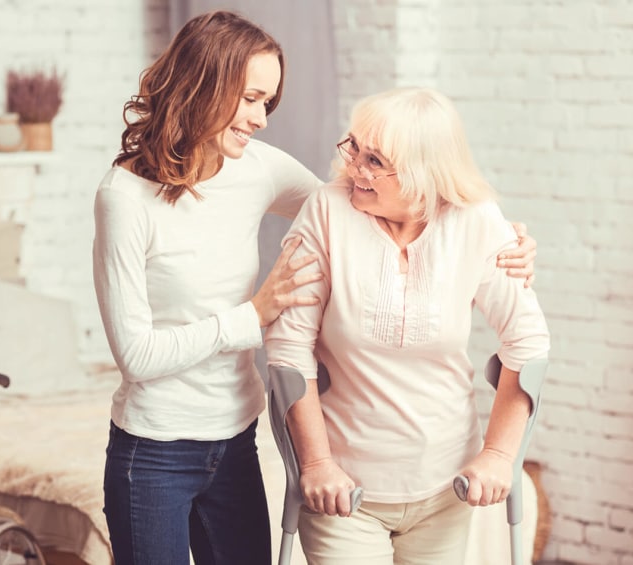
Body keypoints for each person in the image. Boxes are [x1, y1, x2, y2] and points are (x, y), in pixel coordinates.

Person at [93, 11, 538, 565]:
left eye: (268, 103)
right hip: (154, 446)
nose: (261, 119)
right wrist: (254, 315)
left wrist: (494, 237)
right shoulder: (123, 198)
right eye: (251, 98)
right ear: (204, 84)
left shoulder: (256, 167)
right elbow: (136, 356)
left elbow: (354, 205)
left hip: (235, 438)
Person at [265, 86, 551, 565]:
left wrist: (499, 456)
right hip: (344, 491)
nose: (355, 168)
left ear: (424, 173)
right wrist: (315, 464)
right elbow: (288, 348)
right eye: (355, 148)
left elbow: (528, 342)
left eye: (375, 161)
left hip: (446, 486)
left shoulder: (476, 221)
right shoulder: (328, 211)